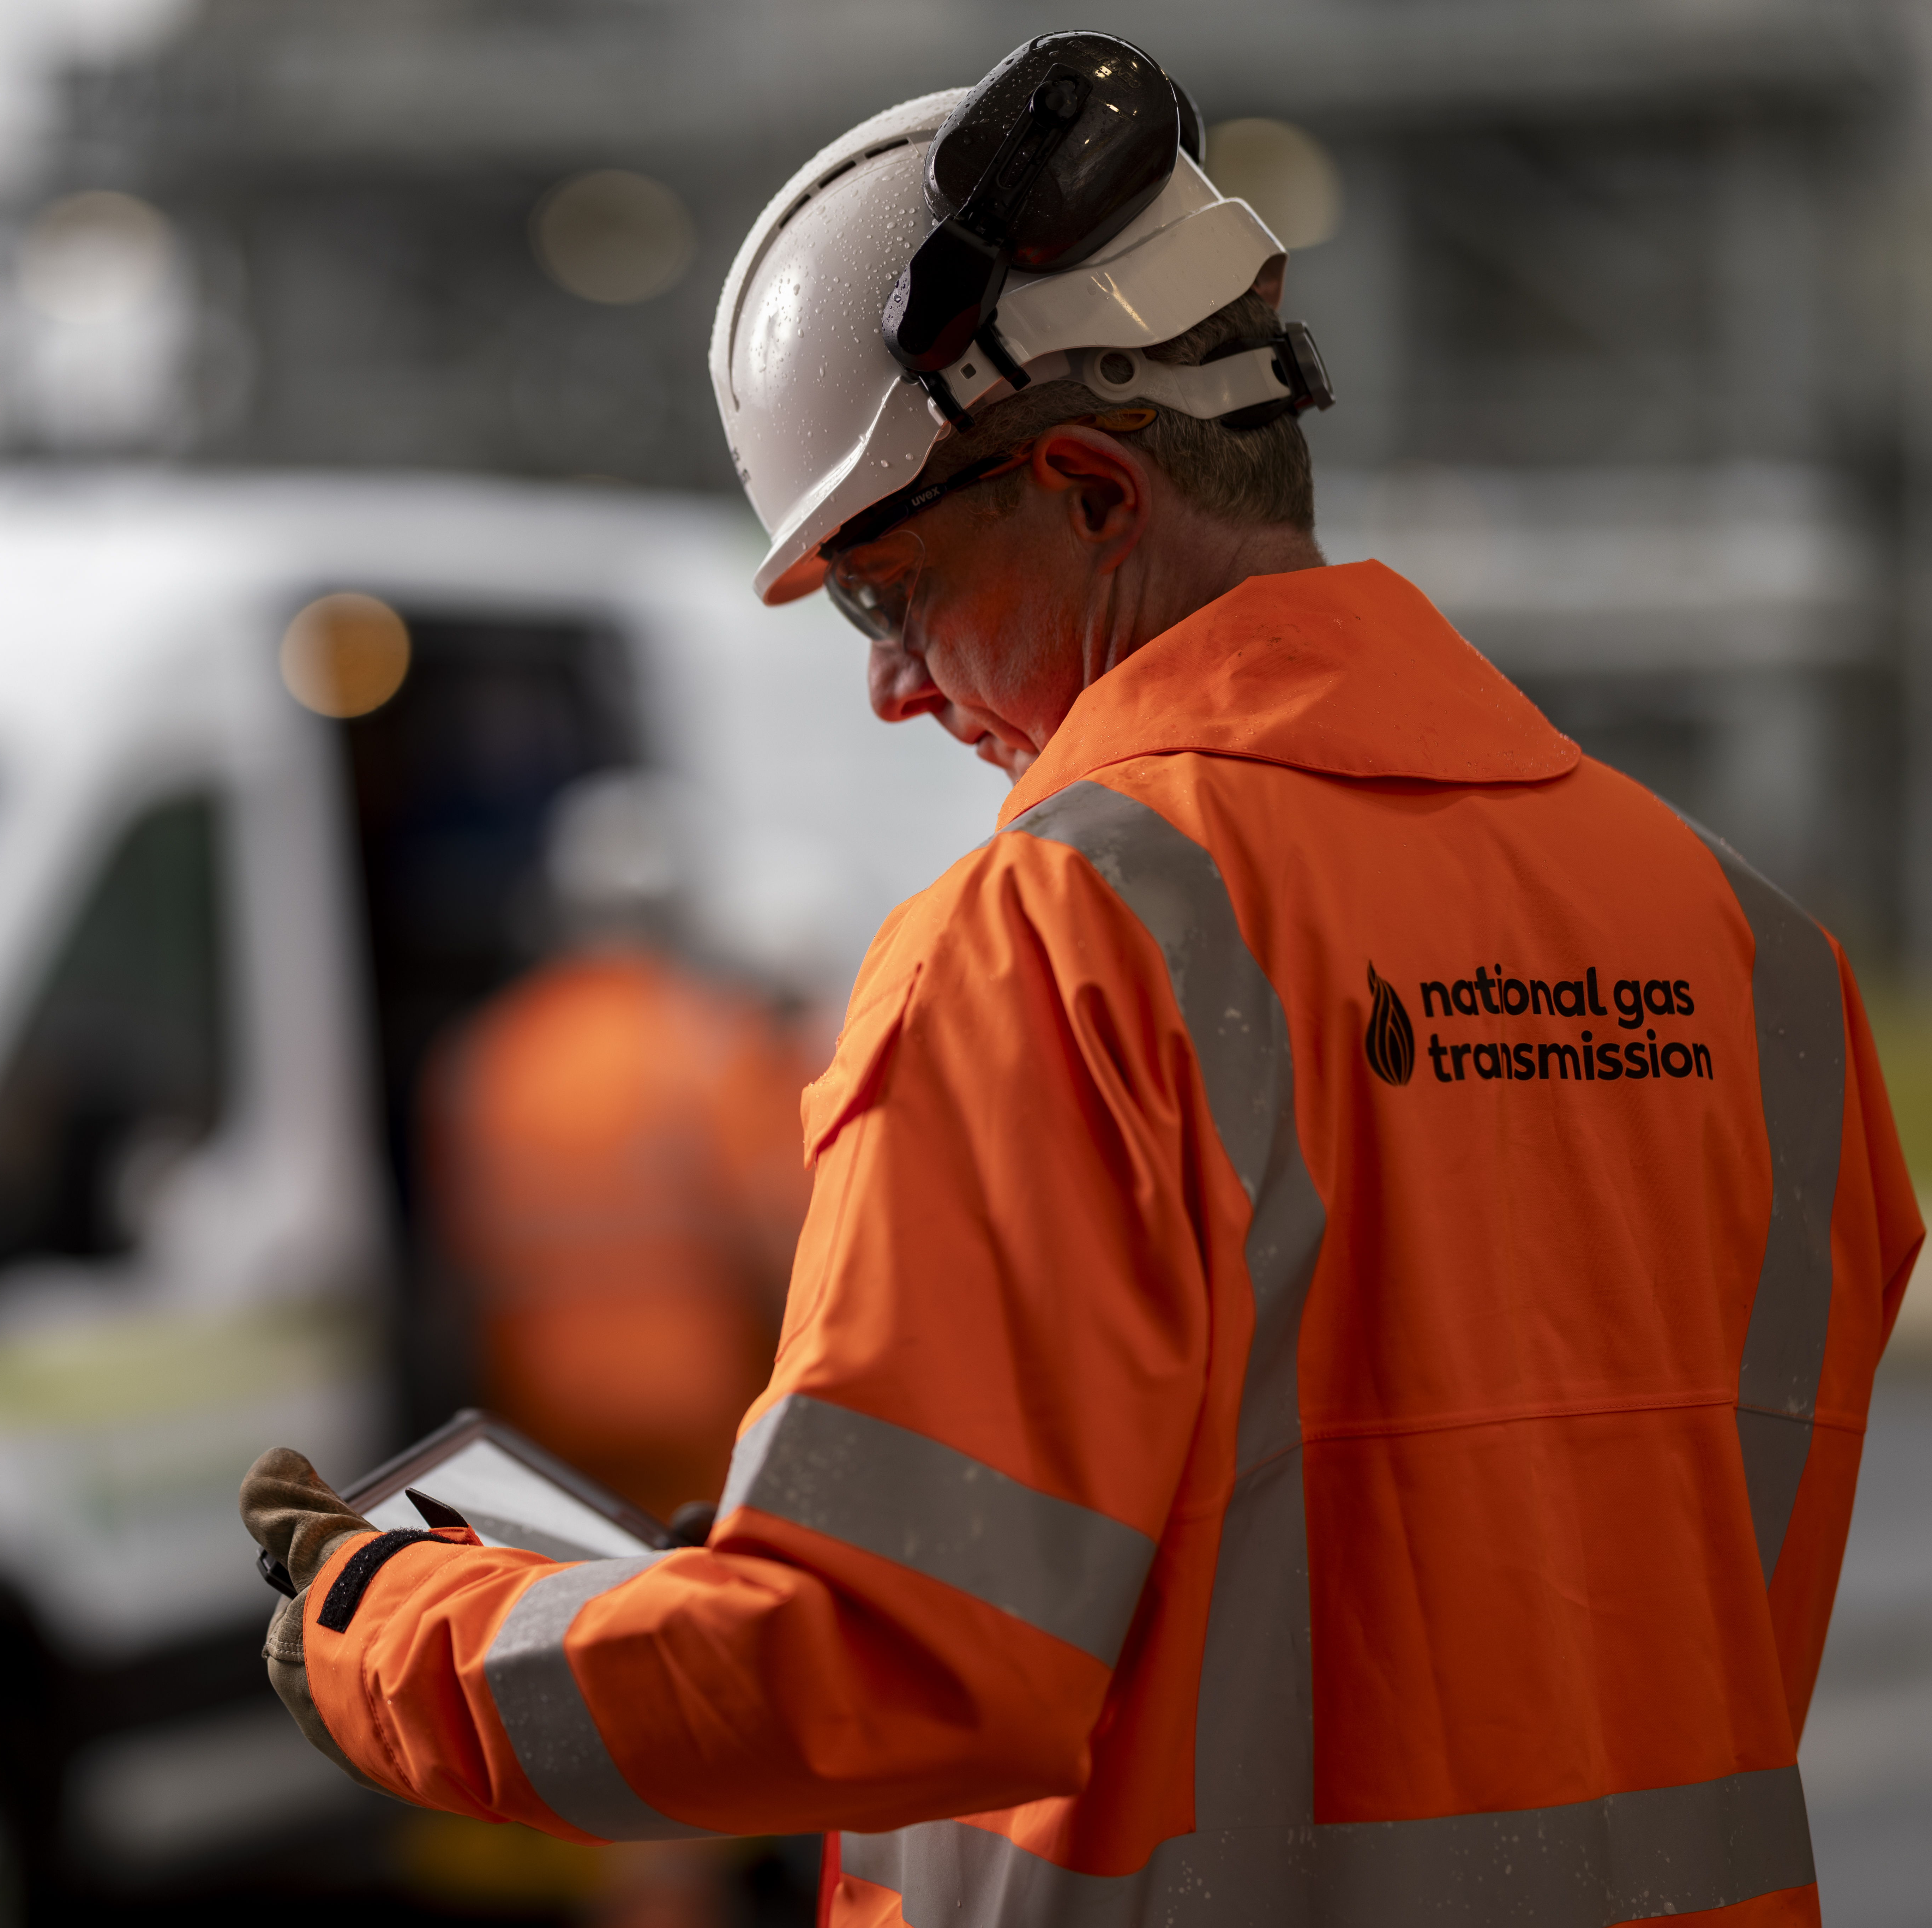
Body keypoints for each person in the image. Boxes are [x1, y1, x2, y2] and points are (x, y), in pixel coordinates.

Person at [242, 32, 1920, 1928]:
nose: (887, 679)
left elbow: (890, 1668)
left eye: (887, 590)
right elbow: (1474, 1568)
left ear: (1091, 491)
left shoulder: (1060, 939)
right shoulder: (1755, 958)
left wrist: (407, 1632)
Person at [426, 771, 809, 1527]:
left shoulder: (490, 1052)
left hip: (547, 1403)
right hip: (697, 1400)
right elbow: (782, 1240)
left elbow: (460, 1262)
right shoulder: (712, 1040)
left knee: (590, 1595)